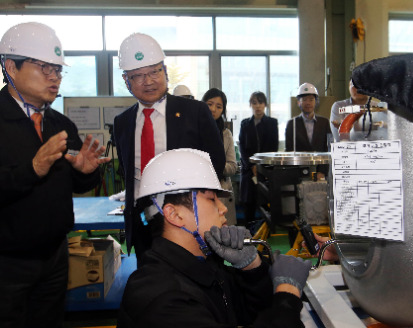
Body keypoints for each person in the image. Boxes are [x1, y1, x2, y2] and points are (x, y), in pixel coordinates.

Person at [117, 148, 312, 328]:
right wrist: (287, 296)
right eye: (212, 199)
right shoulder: (161, 298)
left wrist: (251, 269)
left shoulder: (204, 265)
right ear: (174, 215)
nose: (223, 208)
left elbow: (252, 314)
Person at [0, 22, 109, 327]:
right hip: (8, 263)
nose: (54, 77)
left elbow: (76, 183)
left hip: (56, 257)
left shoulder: (61, 125)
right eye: (45, 67)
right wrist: (31, 170)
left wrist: (87, 173)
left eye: (58, 70)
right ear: (11, 66)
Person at [113, 32, 225, 264]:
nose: (149, 80)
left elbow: (216, 164)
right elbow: (127, 171)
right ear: (127, 81)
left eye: (155, 71)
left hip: (190, 222)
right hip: (143, 222)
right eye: (139, 76)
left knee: (199, 288)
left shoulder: (195, 112)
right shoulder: (122, 122)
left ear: (165, 71)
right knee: (152, 286)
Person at [239, 91, 279, 224]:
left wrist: (260, 166)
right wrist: (251, 166)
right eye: (254, 103)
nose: (258, 106)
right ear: (250, 105)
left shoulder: (272, 123)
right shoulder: (245, 124)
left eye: (260, 103)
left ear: (265, 105)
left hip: (265, 170)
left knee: (264, 206)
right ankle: (248, 235)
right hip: (248, 172)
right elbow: (242, 149)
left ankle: (264, 238)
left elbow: (273, 148)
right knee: (248, 206)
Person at [202, 88, 237, 226]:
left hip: (221, 190)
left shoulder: (226, 134)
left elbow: (233, 166)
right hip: (200, 191)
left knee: (225, 236)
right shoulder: (194, 130)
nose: (213, 109)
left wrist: (214, 165)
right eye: (209, 104)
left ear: (223, 110)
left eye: (219, 106)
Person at [285, 82, 331, 178]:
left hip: (320, 173)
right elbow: (289, 151)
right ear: (298, 102)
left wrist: (322, 172)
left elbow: (328, 149)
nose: (308, 103)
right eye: (304, 99)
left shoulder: (324, 122)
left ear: (316, 102)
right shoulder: (291, 124)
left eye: (311, 99)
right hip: (299, 173)